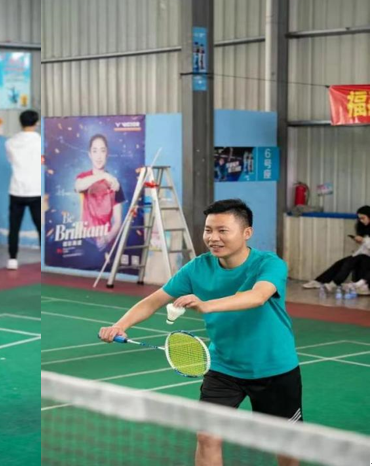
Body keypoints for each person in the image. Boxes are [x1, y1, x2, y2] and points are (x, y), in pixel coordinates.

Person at [99, 199, 301, 467]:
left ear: (246, 233)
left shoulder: (269, 264)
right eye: (208, 230)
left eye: (222, 230)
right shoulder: (197, 268)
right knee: (207, 436)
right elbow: (154, 300)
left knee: (283, 441)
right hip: (223, 367)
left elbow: (257, 296)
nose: (213, 238)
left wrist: (207, 305)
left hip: (273, 368)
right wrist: (120, 325)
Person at [75, 134, 125, 257]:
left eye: (102, 151)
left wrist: (107, 238)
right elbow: (79, 186)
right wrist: (103, 176)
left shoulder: (115, 183)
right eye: (95, 151)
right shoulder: (83, 177)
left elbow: (118, 221)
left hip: (106, 242)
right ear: (89, 154)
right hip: (86, 240)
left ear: (107, 153)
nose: (98, 156)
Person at [303, 205, 370, 295]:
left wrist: (364, 240)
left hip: (366, 256)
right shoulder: (365, 228)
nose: (361, 221)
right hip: (364, 254)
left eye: (363, 218)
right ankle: (321, 281)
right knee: (341, 263)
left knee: (351, 261)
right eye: (359, 219)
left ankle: (335, 283)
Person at [5, 110, 41, 270]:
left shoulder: (10, 142)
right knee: (40, 226)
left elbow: (11, 160)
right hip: (35, 189)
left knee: (14, 227)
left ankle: (12, 259)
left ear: (20, 123)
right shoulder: (40, 141)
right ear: (36, 123)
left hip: (16, 189)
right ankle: (45, 259)